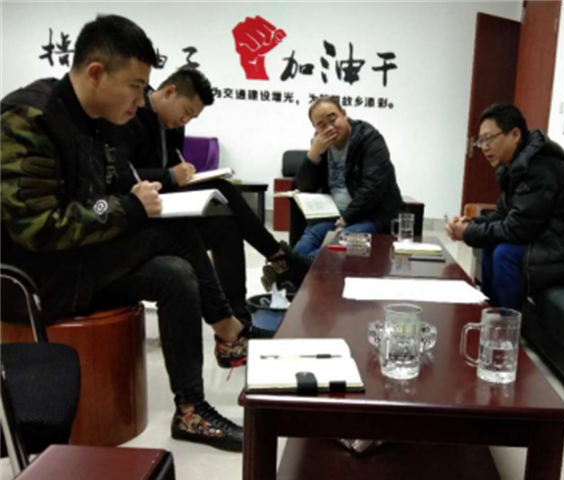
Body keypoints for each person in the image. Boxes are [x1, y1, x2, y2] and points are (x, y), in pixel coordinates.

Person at [0, 15, 268, 452]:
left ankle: (191, 410)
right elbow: (36, 229)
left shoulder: (98, 121)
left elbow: (109, 190)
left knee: (176, 274)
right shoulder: (30, 117)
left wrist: (130, 200)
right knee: (173, 230)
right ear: (96, 72)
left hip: (80, 261)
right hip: (36, 281)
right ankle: (229, 330)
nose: (142, 99)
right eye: (136, 86)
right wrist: (126, 206)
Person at [112, 65, 310, 319]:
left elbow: (172, 162)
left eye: (192, 117)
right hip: (139, 211)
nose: (185, 121)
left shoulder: (172, 122)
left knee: (226, 225)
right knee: (223, 188)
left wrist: (182, 172)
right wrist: (170, 175)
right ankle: (280, 258)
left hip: (166, 203)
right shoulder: (130, 113)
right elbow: (121, 175)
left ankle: (237, 314)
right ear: (169, 92)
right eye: (186, 112)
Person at [446, 103, 564, 310]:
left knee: (505, 253)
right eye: (481, 141)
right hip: (556, 239)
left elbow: (517, 229)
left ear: (515, 135)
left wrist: (468, 232)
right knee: (491, 244)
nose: (484, 147)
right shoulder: (515, 169)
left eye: (489, 138)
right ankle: (489, 313)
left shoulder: (538, 169)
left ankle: (505, 324)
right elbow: (503, 215)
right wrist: (472, 224)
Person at [293, 96, 404, 257]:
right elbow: (304, 186)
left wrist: (345, 220)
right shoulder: (320, 144)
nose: (329, 128)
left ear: (344, 114)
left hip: (372, 216)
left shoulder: (369, 139)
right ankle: (290, 270)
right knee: (304, 246)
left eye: (333, 119)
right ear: (315, 129)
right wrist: (313, 153)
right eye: (321, 125)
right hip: (333, 214)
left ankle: (293, 269)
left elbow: (372, 188)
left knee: (329, 251)